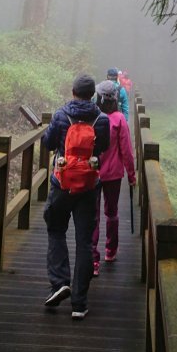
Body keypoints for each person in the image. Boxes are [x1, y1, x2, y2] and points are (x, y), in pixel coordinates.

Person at [42, 73, 110, 319]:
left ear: (73, 92)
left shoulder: (61, 115)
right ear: (93, 95)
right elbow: (103, 147)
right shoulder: (101, 120)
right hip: (89, 187)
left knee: (56, 230)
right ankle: (79, 304)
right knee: (84, 242)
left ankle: (59, 282)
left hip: (62, 183)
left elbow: (48, 143)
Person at [92, 80, 136, 274]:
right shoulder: (119, 120)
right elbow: (126, 151)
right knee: (112, 213)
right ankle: (110, 250)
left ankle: (93, 259)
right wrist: (132, 175)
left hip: (92, 172)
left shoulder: (93, 117)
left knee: (92, 216)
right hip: (114, 174)